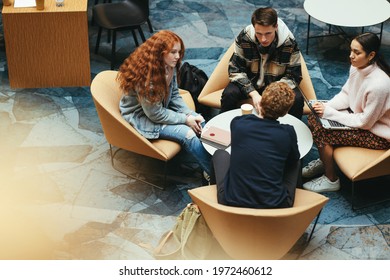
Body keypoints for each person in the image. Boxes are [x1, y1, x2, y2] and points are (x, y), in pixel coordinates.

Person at [117, 30, 211, 179]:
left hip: (158, 108)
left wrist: (189, 114)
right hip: (143, 118)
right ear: (160, 53)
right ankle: (216, 175)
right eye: (173, 52)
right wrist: (185, 120)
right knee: (187, 135)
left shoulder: (169, 65)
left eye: (179, 52)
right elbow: (154, 114)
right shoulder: (147, 79)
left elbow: (174, 95)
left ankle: (217, 163)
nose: (178, 56)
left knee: (201, 121)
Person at [302, 32, 390, 193]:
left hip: (379, 135)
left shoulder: (380, 85)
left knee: (323, 131)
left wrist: (329, 113)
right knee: (314, 117)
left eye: (357, 53)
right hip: (359, 118)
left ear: (371, 55)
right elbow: (347, 94)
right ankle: (325, 159)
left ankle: (331, 179)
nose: (351, 56)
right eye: (351, 50)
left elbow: (365, 122)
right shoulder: (357, 67)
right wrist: (326, 108)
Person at [213, 82, 300, 208]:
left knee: (220, 153)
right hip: (276, 204)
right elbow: (293, 159)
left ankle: (210, 191)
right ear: (285, 112)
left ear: (261, 101)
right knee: (296, 163)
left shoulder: (238, 123)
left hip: (231, 200)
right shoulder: (288, 132)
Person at [220, 7, 304, 119]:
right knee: (229, 94)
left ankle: (291, 132)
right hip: (251, 82)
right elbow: (235, 70)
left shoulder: (289, 42)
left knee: (297, 99)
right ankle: (226, 125)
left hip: (276, 85)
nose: (263, 39)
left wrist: (271, 93)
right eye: (259, 33)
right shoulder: (244, 37)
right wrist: (253, 93)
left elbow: (293, 75)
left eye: (268, 33)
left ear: (276, 26)